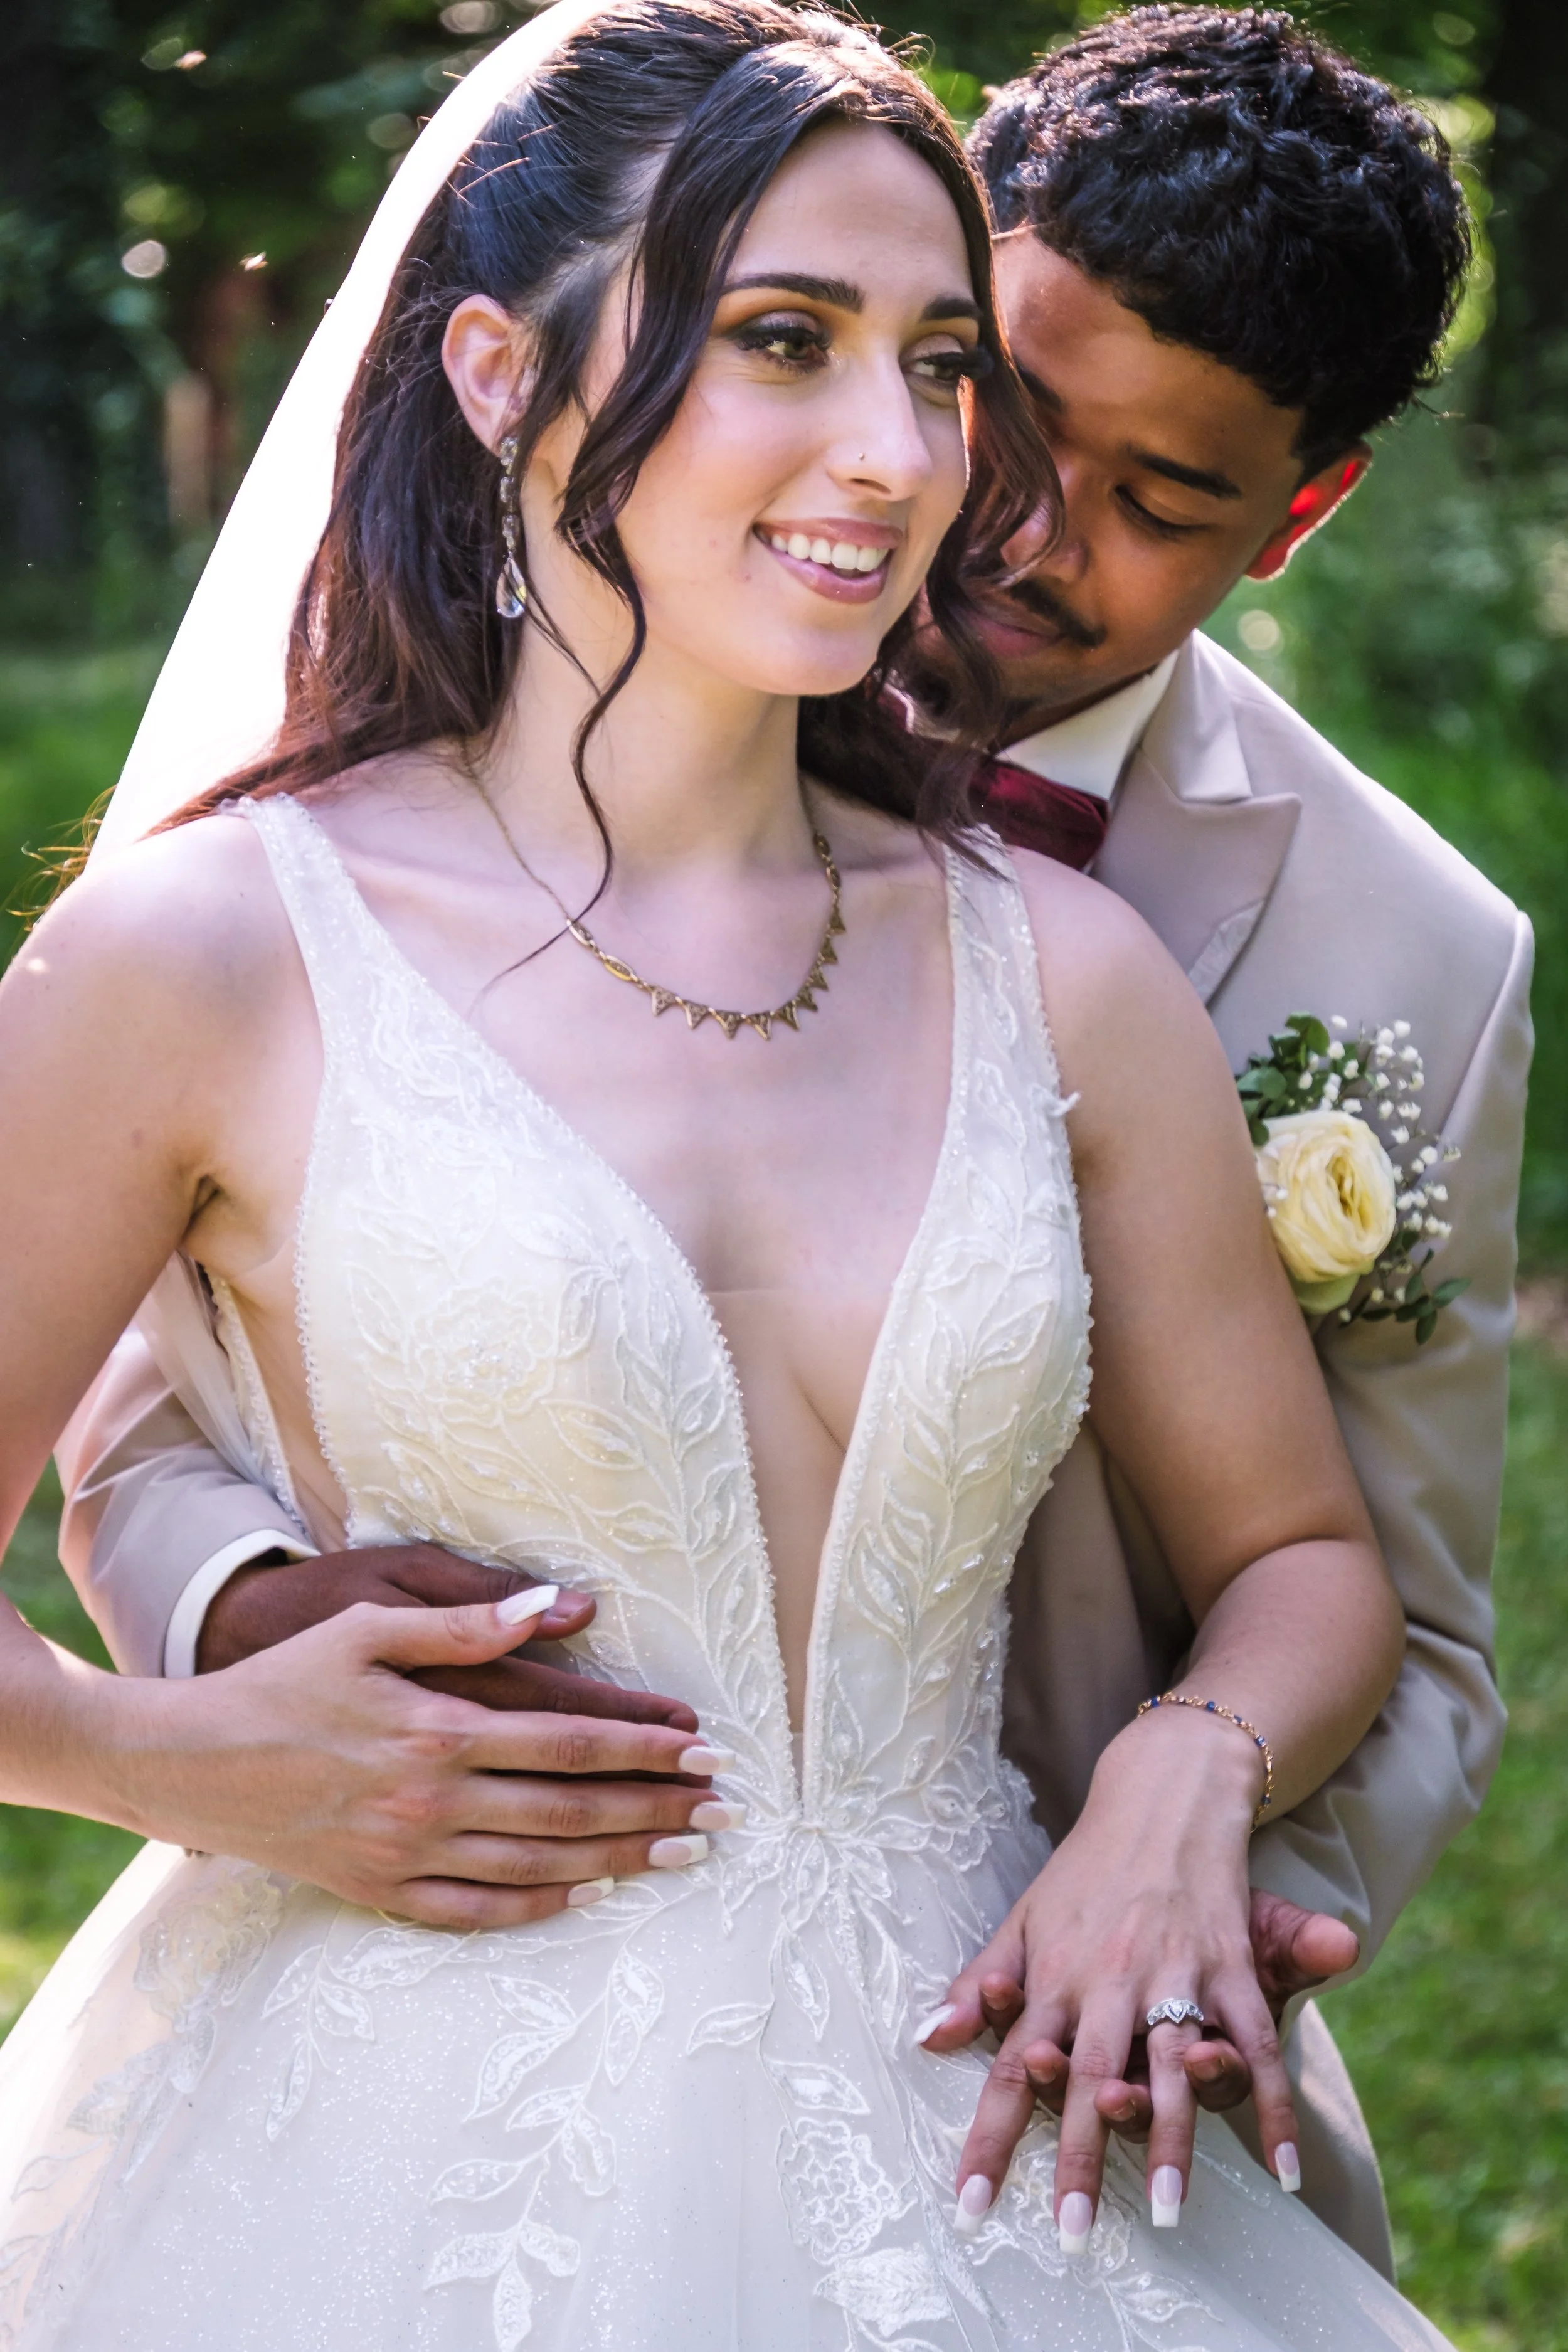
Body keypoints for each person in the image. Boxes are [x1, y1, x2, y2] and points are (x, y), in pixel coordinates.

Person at [0, 0, 1458, 2341]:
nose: (901, 456)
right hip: (382, 2142)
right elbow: (121, 1473)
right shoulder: (205, 954)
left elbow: (1305, 1555)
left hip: (987, 2100)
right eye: (784, 340)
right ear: (497, 371)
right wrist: (171, 1752)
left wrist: (1178, 1779)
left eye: (937, 366)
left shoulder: (1060, 971)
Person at [946, 6, 1530, 2278]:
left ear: (1300, 510)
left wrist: (1196, 1914)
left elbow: (1421, 1625)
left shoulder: (1413, 958)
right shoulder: (563, 712)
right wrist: (240, 1595)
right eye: (1001, 409)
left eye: (1160, 500)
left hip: (1066, 2048)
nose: (1023, 533)